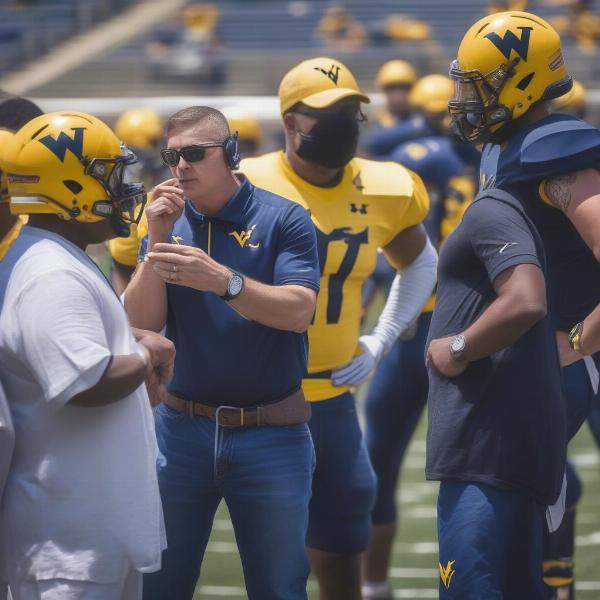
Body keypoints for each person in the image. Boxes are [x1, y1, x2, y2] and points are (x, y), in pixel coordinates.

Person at [240, 57, 437, 600]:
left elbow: (421, 262)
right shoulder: (246, 183)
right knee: (273, 562)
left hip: (333, 398)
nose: (342, 123)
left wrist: (383, 335)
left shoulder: (386, 186)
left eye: (351, 111)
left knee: (345, 541)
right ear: (289, 120)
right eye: (326, 113)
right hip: (257, 399)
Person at [124, 106, 320, 600]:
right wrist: (158, 240)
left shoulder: (283, 218)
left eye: (194, 153)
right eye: (172, 156)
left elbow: (299, 310)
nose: (181, 166)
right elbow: (138, 324)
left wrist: (223, 281)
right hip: (181, 429)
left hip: (270, 432)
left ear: (230, 154)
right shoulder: (167, 220)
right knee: (160, 584)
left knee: (279, 587)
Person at [449, 10, 600, 599]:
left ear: (522, 82)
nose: (466, 101)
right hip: (515, 368)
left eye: (478, 86)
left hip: (552, 371)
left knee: (523, 526)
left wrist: (579, 340)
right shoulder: (510, 143)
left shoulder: (554, 148)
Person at [0, 111, 174, 600]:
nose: (123, 188)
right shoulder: (49, 271)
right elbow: (87, 381)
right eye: (108, 175)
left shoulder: (53, 256)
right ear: (70, 187)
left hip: (86, 535)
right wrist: (146, 351)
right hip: (69, 544)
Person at [362, 137, 475, 600]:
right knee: (376, 466)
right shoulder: (472, 183)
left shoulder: (469, 193)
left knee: (477, 473)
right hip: (453, 335)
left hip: (441, 334)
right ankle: (373, 584)